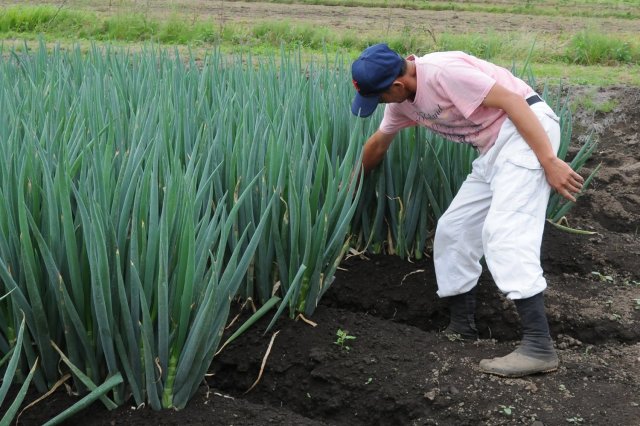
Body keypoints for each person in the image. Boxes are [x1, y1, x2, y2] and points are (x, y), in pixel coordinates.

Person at [350, 43, 584, 378]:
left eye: (379, 97)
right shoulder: (402, 103)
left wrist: (548, 160)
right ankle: (462, 327)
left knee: (505, 234)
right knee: (453, 230)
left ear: (397, 86)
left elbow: (512, 101)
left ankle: (538, 346)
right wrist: (351, 186)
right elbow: (378, 142)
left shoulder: (444, 74)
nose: (380, 104)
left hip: (527, 131)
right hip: (492, 148)